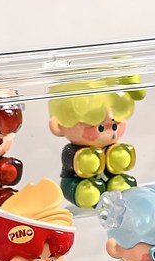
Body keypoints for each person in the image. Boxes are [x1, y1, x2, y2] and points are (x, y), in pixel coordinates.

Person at [49, 77, 145, 208]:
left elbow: (122, 162)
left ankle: (118, 186)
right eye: (99, 127)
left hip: (111, 180)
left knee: (121, 184)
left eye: (115, 125)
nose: (109, 131)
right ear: (58, 126)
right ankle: (84, 193)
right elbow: (82, 164)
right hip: (75, 183)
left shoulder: (114, 146)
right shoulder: (70, 151)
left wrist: (120, 158)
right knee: (87, 192)